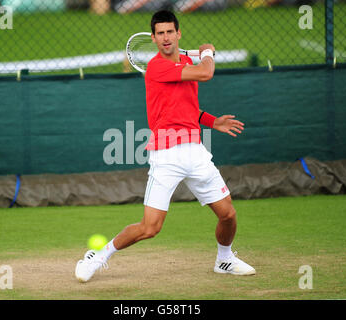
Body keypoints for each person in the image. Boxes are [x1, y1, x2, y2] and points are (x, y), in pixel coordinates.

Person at [75, 9, 255, 282]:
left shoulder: (183, 62)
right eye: (160, 33)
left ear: (178, 33)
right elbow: (206, 73)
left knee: (228, 214)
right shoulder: (157, 67)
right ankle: (98, 256)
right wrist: (207, 51)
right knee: (150, 227)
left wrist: (212, 121)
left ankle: (225, 259)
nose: (166, 37)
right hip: (166, 155)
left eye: (170, 31)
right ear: (154, 38)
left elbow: (185, 108)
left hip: (195, 151)